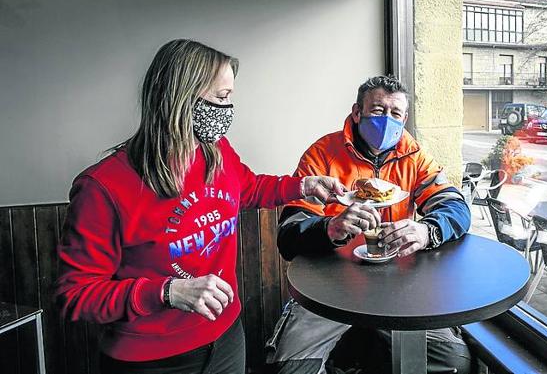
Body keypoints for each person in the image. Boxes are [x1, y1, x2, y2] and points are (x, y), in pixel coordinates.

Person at [54, 39, 345, 374]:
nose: (229, 109)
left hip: (226, 336)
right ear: (181, 98)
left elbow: (247, 188)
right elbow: (75, 296)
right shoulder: (103, 187)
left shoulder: (215, 149)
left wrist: (303, 186)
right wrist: (167, 292)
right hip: (152, 360)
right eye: (222, 98)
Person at [265, 75, 473, 374]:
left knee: (454, 361)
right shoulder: (322, 154)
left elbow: (454, 206)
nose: (387, 120)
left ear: (405, 118)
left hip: (400, 284)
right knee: (290, 368)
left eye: (396, 113)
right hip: (329, 284)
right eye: (377, 110)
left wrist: (426, 230)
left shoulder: (414, 157)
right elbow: (289, 234)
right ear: (357, 112)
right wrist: (330, 228)